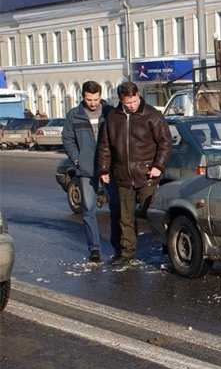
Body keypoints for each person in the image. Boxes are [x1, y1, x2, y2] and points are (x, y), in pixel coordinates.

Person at [98, 82, 172, 265]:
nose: (131, 106)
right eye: (127, 103)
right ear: (121, 100)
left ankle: (168, 246)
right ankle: (127, 253)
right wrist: (104, 168)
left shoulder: (152, 115)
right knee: (125, 218)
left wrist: (158, 166)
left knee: (152, 214)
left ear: (138, 95)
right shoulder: (113, 117)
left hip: (148, 174)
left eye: (134, 101)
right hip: (122, 174)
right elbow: (105, 146)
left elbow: (165, 142)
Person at [61, 81, 116, 262]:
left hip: (109, 168)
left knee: (116, 207)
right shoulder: (74, 115)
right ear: (83, 97)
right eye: (89, 99)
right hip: (86, 170)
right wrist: (77, 159)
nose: (93, 103)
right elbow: (67, 139)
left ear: (100, 96)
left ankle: (118, 246)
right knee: (89, 209)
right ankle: (94, 248)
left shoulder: (109, 112)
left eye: (96, 99)